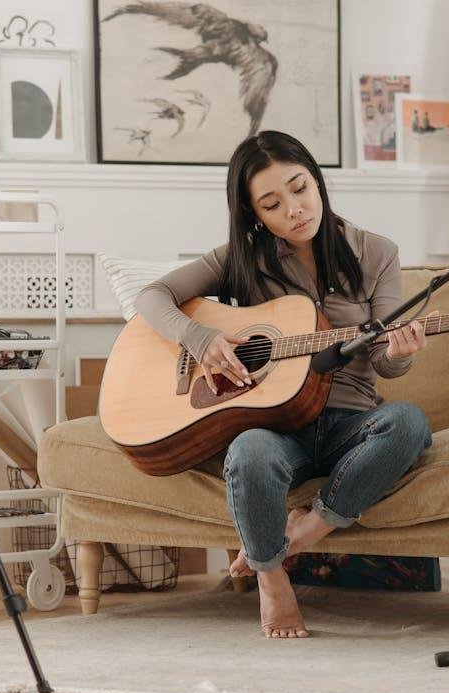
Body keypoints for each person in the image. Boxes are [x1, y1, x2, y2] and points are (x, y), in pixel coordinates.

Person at [133, 131, 432, 639]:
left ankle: (301, 533)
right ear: (255, 215)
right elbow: (153, 297)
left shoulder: (377, 253)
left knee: (408, 422)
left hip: (350, 423)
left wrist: (399, 355)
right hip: (274, 426)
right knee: (248, 452)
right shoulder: (241, 258)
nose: (294, 209)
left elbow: (385, 363)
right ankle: (272, 582)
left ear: (317, 181)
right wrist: (201, 338)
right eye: (272, 204)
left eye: (300, 188)